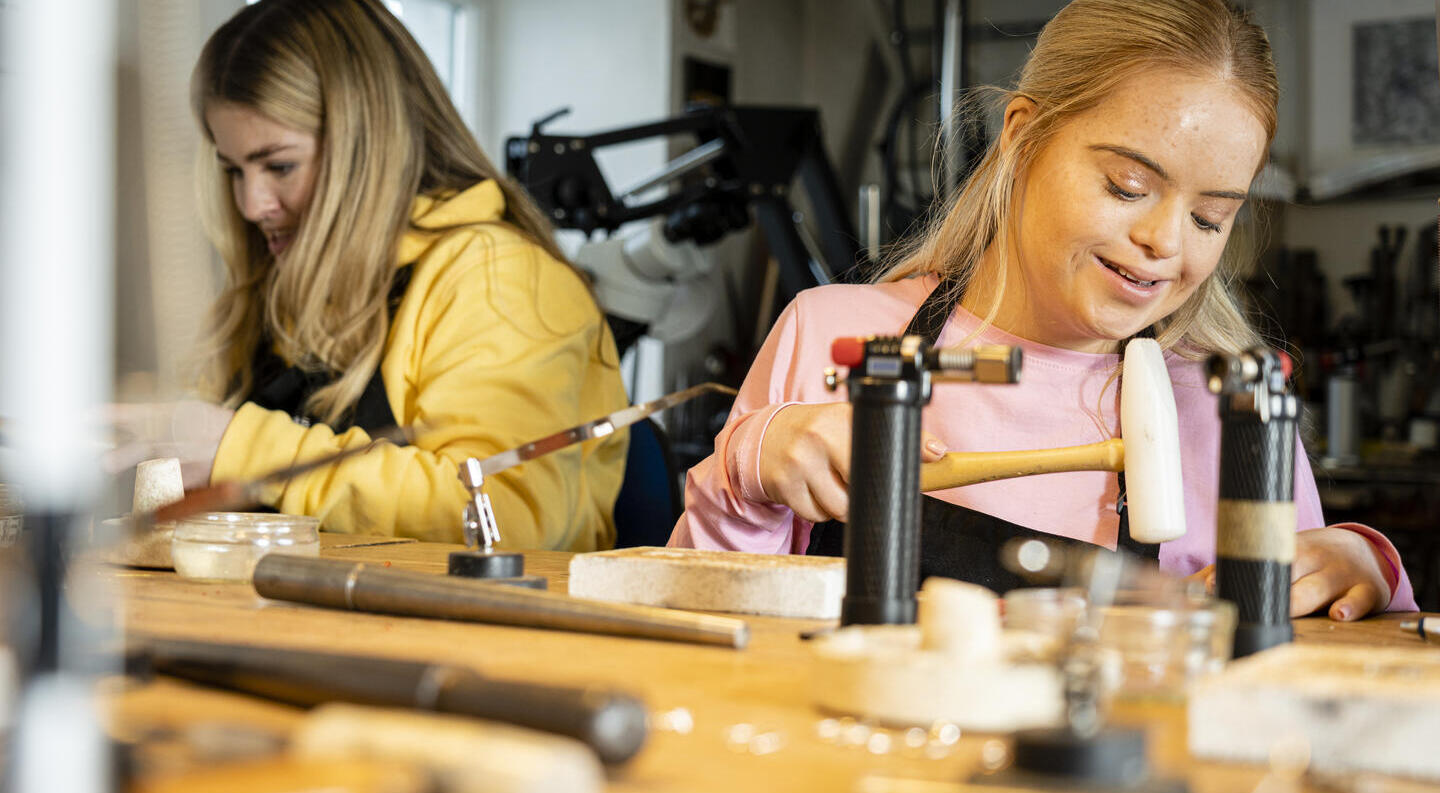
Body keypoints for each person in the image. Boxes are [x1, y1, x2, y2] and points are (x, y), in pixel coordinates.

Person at [670, 0, 1417, 617]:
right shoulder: (836, 334)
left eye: (1210, 218)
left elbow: (1308, 656)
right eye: (1127, 187)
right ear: (1023, 138)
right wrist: (747, 472)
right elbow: (690, 629)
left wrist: (1367, 568)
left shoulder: (1229, 406)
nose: (1162, 240)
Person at [109, 0, 628, 550]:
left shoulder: (501, 279)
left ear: (370, 144)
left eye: (279, 166)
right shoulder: (285, 279)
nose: (251, 204)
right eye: (233, 170)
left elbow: (508, 520)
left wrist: (241, 450)